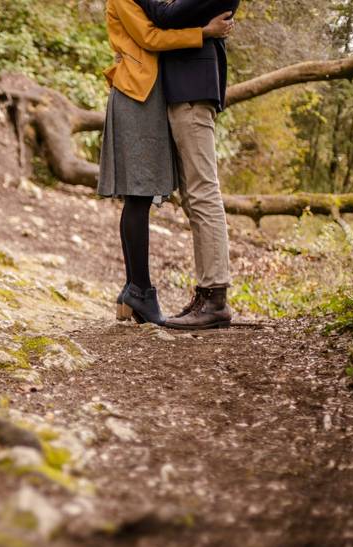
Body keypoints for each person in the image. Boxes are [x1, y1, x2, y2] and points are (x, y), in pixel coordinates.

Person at [99, 0, 234, 325]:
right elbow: (150, 37)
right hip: (137, 92)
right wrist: (203, 33)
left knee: (142, 194)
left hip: (150, 93)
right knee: (138, 193)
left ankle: (137, 290)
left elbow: (163, 22)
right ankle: (139, 290)